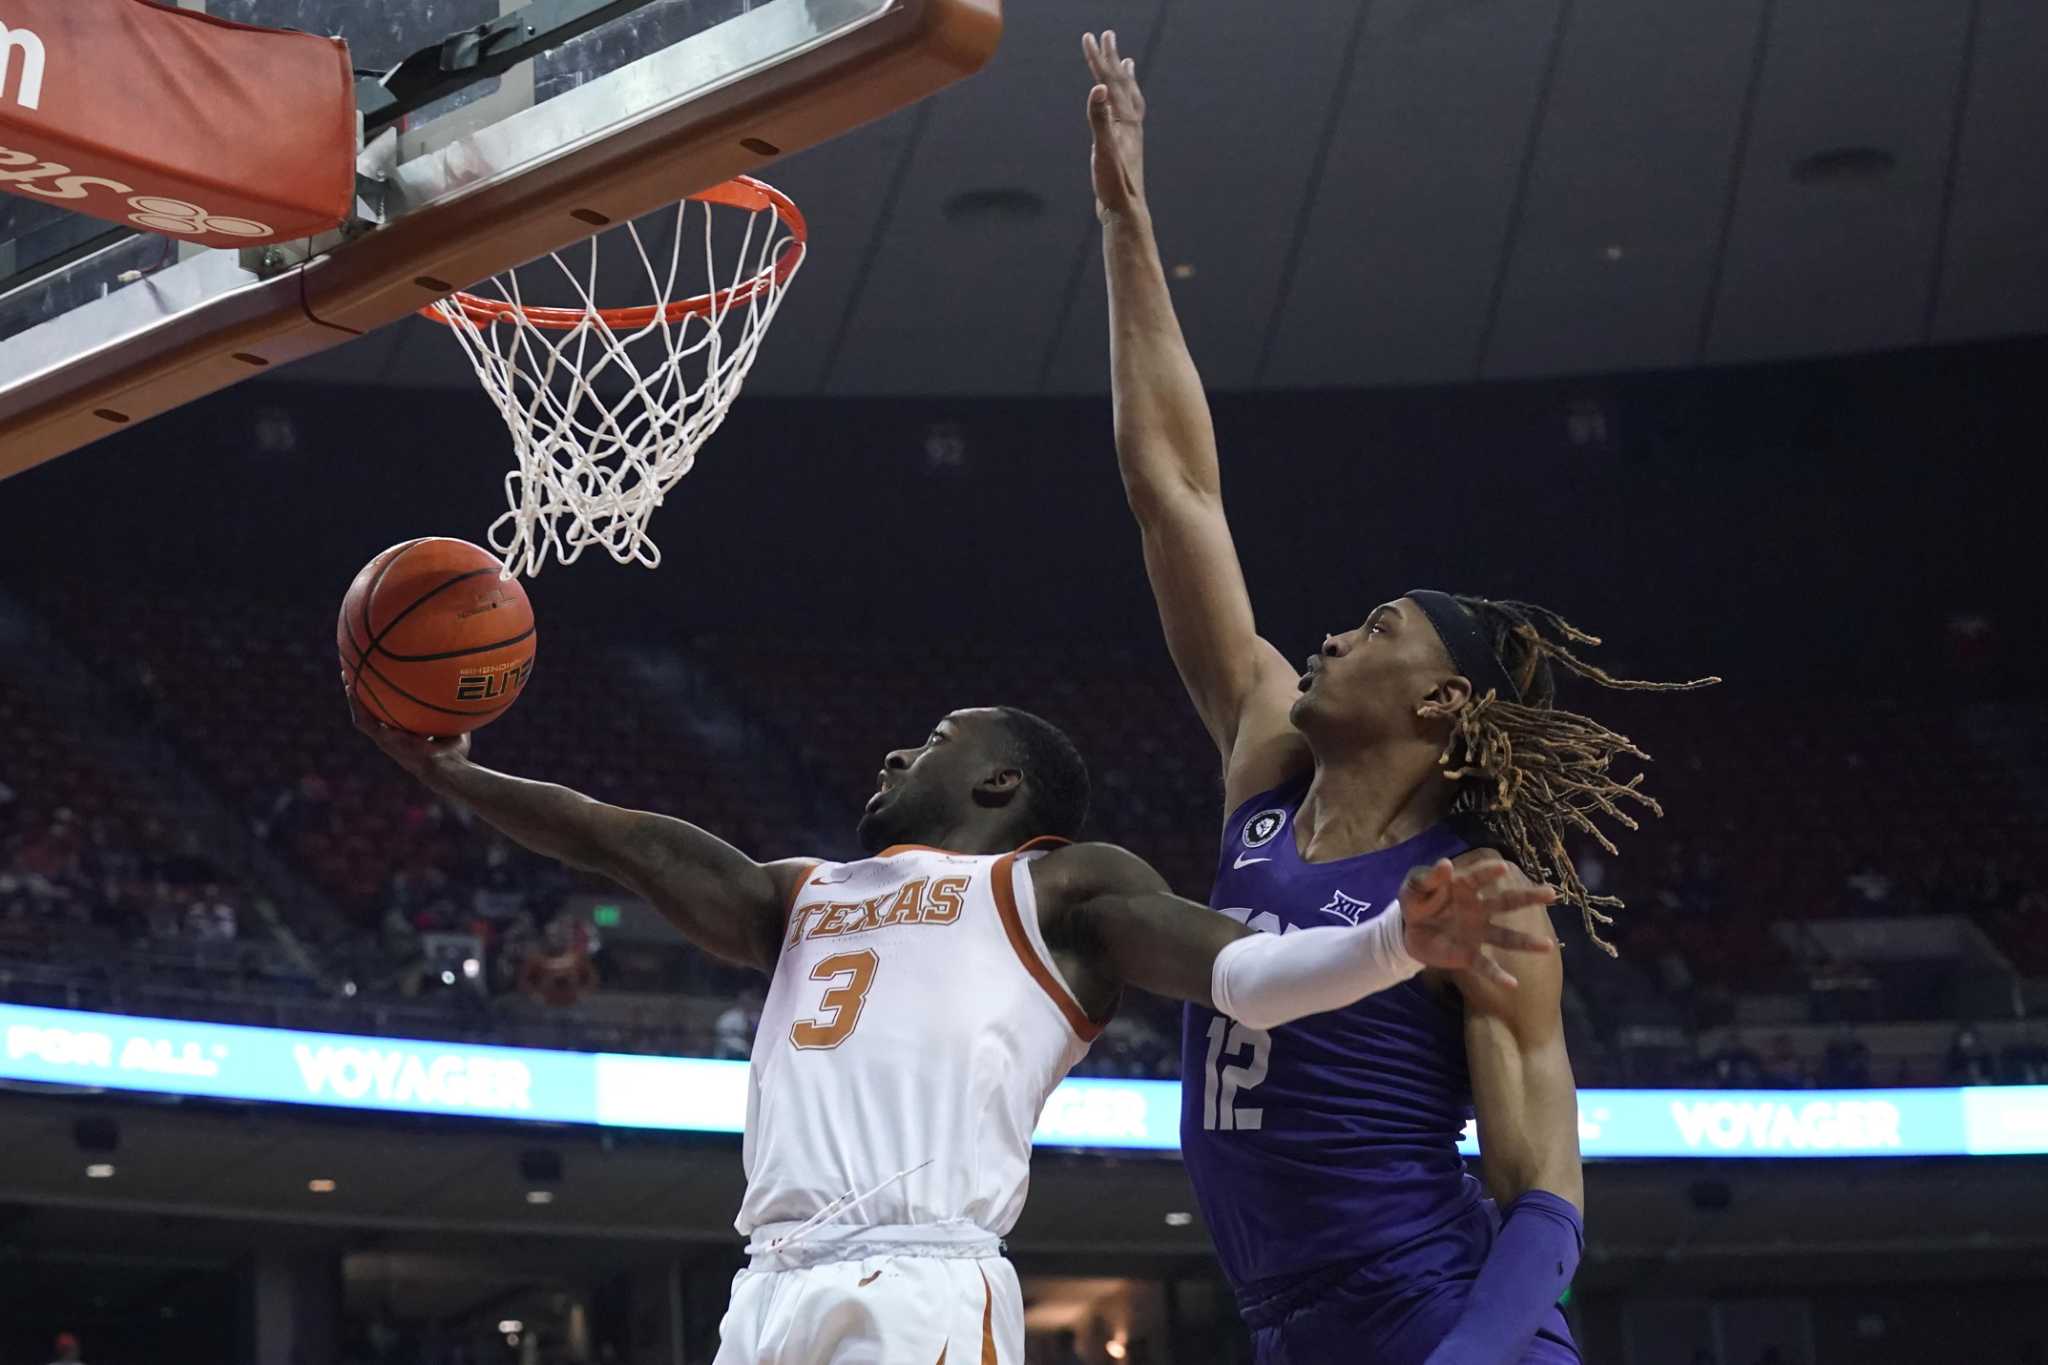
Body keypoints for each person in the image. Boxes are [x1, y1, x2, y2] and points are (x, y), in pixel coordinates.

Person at [1082, 30, 1716, 1365]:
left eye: (1377, 628)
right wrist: (1126, 220)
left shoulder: (1481, 898)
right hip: (1292, 1333)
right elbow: (1175, 493)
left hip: (1443, 1329)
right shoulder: (1264, 765)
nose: (1330, 634)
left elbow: (1545, 1192)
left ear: (1443, 707)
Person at [353, 698, 1549, 1364]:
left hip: (920, 1282)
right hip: (766, 1289)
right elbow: (614, 834)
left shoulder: (1060, 887)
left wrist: (1395, 943)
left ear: (1001, 786)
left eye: (932, 739)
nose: (892, 747)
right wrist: (454, 772)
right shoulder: (799, 893)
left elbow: (1246, 978)